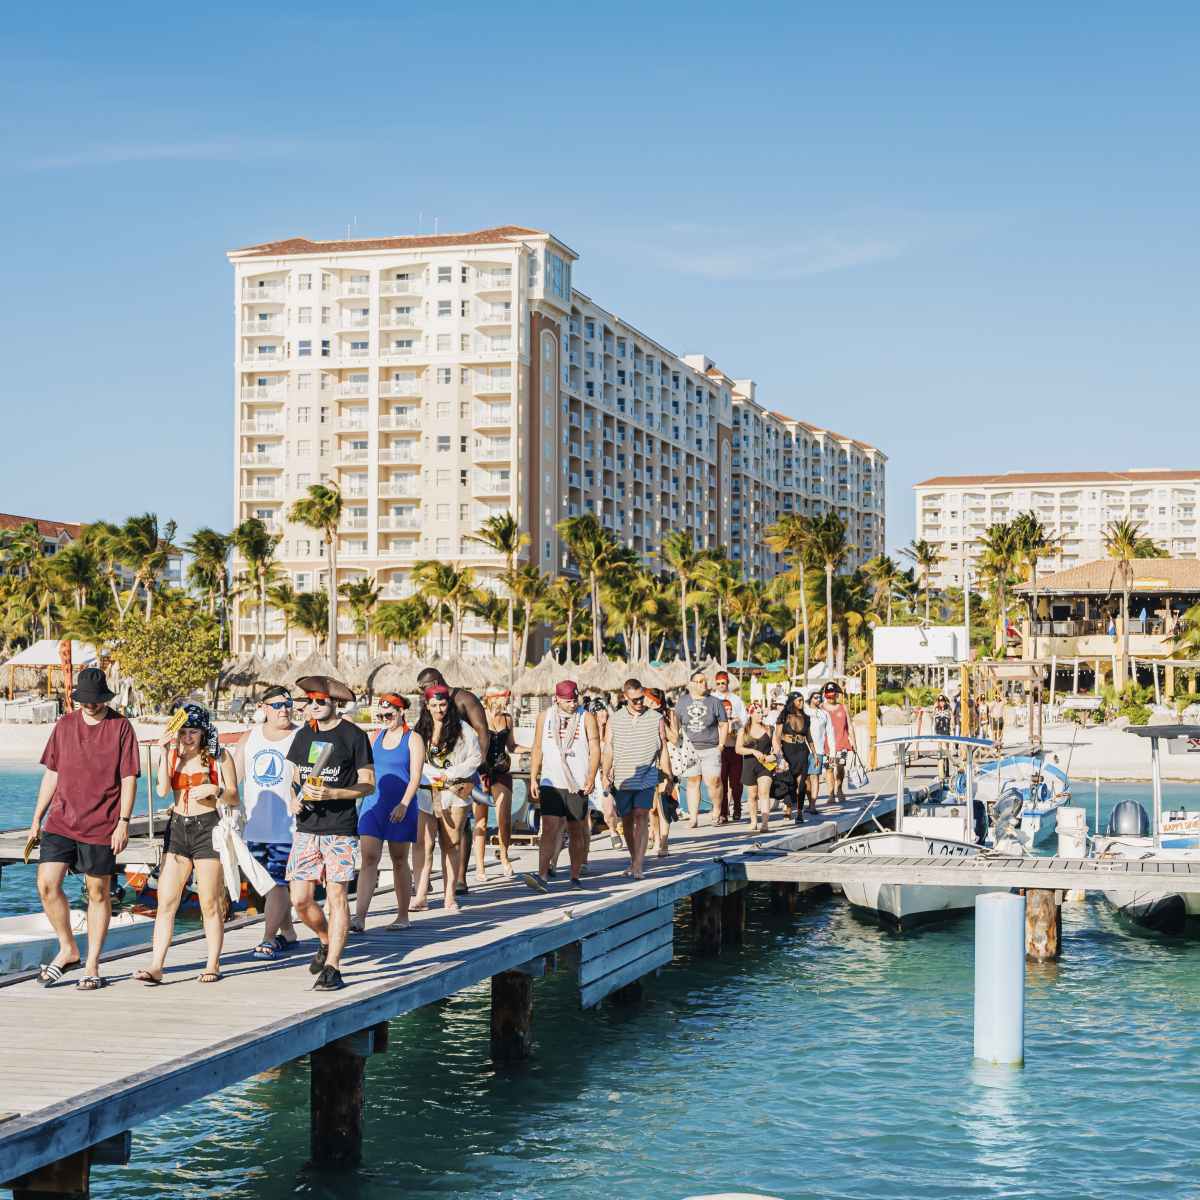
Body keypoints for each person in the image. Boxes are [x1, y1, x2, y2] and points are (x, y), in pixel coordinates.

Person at [27, 667, 139, 991]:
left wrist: (124, 822)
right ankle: (68, 948)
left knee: (98, 892)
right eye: (85, 701)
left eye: (96, 701)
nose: (90, 706)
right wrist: (37, 817)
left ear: (105, 697)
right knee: (47, 884)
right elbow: (53, 774)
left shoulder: (120, 727)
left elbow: (128, 778)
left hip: (103, 823)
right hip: (61, 820)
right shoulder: (64, 725)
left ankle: (92, 964)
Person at [134, 704, 239, 985]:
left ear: (204, 733)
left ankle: (212, 963)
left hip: (208, 828)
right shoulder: (173, 756)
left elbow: (234, 797)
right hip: (178, 828)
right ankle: (156, 965)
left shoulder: (219, 757)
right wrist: (165, 752)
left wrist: (216, 790)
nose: (188, 737)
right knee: (166, 901)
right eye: (183, 732)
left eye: (194, 732)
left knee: (210, 902)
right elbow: (162, 790)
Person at [286, 675, 375, 991]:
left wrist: (335, 794)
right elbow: (293, 775)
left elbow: (368, 782)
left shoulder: (353, 736)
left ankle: (333, 967)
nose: (314, 706)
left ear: (334, 702)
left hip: (340, 829)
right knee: (299, 900)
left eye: (320, 701)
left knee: (336, 896)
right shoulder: (303, 735)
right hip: (306, 828)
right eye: (309, 701)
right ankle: (325, 939)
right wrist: (292, 799)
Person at [233, 685, 300, 960]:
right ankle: (289, 933)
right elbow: (231, 779)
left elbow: (308, 777)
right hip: (255, 826)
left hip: (288, 827)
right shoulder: (249, 739)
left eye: (287, 704)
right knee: (263, 886)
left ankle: (268, 938)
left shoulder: (301, 736)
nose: (284, 709)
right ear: (263, 708)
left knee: (277, 883)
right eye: (277, 705)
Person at [352, 692, 424, 932]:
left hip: (401, 805)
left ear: (401, 711)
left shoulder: (413, 739)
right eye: (381, 715)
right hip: (375, 804)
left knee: (399, 859)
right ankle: (359, 916)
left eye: (389, 714)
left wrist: (404, 803)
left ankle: (403, 915)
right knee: (369, 857)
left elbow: (415, 777)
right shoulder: (375, 737)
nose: (385, 718)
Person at [524, 681, 600, 892]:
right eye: (568, 701)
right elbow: (537, 747)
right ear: (556, 699)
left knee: (576, 829)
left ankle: (574, 876)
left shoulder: (587, 717)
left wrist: (592, 776)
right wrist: (533, 777)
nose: (572, 704)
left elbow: (595, 748)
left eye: (575, 700)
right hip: (551, 781)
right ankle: (542, 876)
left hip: (577, 782)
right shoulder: (545, 716)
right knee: (548, 827)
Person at [412, 684, 481, 914]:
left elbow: (475, 758)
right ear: (427, 706)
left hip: (454, 792)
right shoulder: (421, 730)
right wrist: (430, 774)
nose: (439, 709)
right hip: (426, 791)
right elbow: (413, 757)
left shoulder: (463, 729)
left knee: (451, 844)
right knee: (424, 844)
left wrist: (450, 774)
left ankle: (449, 895)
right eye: (434, 705)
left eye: (442, 705)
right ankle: (421, 894)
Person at [602, 679, 667, 880]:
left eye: (642, 698)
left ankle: (638, 864)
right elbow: (608, 748)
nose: (639, 703)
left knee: (641, 815)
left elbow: (663, 748)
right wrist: (605, 773)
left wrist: (668, 775)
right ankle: (634, 860)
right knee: (627, 820)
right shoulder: (615, 719)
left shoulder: (656, 718)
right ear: (625, 698)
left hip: (646, 776)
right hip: (622, 777)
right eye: (635, 700)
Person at [674, 671, 729, 829]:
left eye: (705, 681)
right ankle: (693, 818)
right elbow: (676, 723)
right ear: (692, 684)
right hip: (689, 749)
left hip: (711, 748)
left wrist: (721, 745)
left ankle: (717, 812)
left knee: (714, 781)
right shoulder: (682, 702)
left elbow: (724, 724)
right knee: (692, 782)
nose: (703, 684)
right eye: (699, 681)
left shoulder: (715, 702)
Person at [479, 686, 520, 880]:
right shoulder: (479, 717)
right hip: (481, 772)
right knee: (481, 820)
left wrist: (536, 749)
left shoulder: (507, 719)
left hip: (501, 769)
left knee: (504, 819)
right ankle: (480, 866)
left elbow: (511, 746)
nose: (509, 700)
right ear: (495, 699)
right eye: (506, 697)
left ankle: (504, 856)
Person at [644, 687, 677, 856]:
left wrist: (661, 721)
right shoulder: (641, 716)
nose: (647, 703)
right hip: (648, 764)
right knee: (652, 809)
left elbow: (675, 738)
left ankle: (664, 843)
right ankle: (656, 838)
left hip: (666, 762)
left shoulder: (669, 715)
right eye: (646, 700)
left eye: (651, 701)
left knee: (664, 804)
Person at [773, 692, 814, 823]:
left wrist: (814, 753)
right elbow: (777, 736)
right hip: (787, 750)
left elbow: (809, 737)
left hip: (802, 750)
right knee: (788, 782)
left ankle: (800, 812)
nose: (801, 703)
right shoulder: (784, 715)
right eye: (799, 700)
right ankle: (789, 807)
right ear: (792, 701)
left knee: (801, 784)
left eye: (802, 700)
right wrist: (779, 755)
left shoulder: (806, 717)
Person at [736, 703, 776, 833]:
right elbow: (738, 749)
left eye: (761, 712)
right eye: (757, 712)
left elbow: (777, 749)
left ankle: (765, 823)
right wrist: (753, 751)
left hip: (765, 766)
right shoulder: (744, 730)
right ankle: (753, 821)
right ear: (751, 713)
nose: (761, 715)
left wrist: (774, 756)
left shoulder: (769, 729)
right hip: (749, 765)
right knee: (752, 795)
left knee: (764, 793)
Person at [713, 672, 746, 825]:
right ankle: (723, 813)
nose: (721, 685)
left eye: (724, 682)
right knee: (721, 783)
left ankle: (737, 807)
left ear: (728, 682)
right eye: (718, 683)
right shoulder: (712, 699)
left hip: (735, 746)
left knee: (736, 782)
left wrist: (736, 723)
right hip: (718, 747)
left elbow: (745, 721)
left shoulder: (736, 700)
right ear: (715, 684)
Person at [822, 682, 856, 802]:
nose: (831, 699)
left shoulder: (843, 707)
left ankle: (839, 789)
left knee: (840, 767)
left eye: (833, 696)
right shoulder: (821, 708)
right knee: (829, 768)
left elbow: (850, 726)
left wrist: (853, 742)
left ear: (837, 695)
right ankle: (831, 794)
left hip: (842, 742)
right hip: (826, 745)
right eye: (828, 696)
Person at [805, 691, 830, 812]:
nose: (818, 699)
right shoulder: (804, 712)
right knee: (806, 779)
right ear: (810, 699)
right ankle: (810, 803)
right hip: (803, 749)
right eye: (815, 697)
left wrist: (831, 751)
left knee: (815, 776)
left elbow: (829, 733)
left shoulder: (824, 714)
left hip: (819, 749)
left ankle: (813, 805)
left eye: (820, 697)